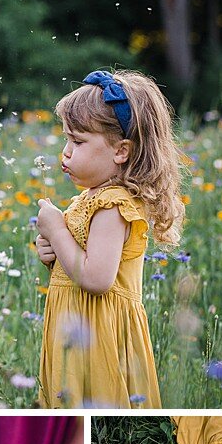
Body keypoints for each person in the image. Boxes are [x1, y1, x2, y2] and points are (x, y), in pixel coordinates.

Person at [35, 69, 184, 408]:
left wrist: (57, 231)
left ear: (121, 151)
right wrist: (53, 255)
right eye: (66, 140)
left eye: (78, 141)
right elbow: (78, 269)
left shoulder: (113, 204)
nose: (66, 152)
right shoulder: (89, 200)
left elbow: (97, 279)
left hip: (101, 340)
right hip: (79, 329)